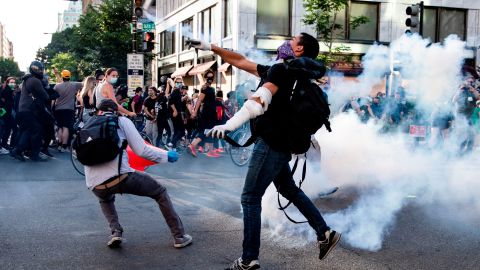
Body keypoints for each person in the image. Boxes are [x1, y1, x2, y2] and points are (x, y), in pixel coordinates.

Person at [188, 33, 340, 269]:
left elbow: (259, 100)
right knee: (288, 189)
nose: (287, 41)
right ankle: (325, 233)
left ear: (299, 50)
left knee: (250, 198)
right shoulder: (289, 73)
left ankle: (248, 259)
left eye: (292, 40)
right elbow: (239, 60)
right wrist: (211, 47)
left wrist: (230, 124)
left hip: (270, 144)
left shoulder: (282, 71)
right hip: (280, 146)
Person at [85, 99, 192, 248]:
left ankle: (116, 232)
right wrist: (167, 156)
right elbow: (142, 150)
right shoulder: (121, 121)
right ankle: (179, 236)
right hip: (121, 177)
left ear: (98, 110)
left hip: (94, 184)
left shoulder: (89, 123)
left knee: (105, 199)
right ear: (116, 110)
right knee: (160, 192)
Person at [10, 61, 49, 162]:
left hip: (22, 110)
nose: (41, 71)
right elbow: (45, 96)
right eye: (40, 70)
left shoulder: (27, 79)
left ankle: (19, 151)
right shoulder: (35, 81)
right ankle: (31, 154)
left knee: (27, 131)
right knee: (37, 129)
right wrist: (45, 84)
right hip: (28, 110)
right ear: (35, 70)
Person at [188, 70, 220, 158]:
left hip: (211, 113)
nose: (210, 79)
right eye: (208, 77)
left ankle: (210, 150)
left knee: (208, 131)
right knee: (206, 131)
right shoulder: (204, 88)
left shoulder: (211, 88)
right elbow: (199, 100)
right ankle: (193, 145)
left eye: (212, 77)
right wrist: (194, 112)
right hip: (207, 113)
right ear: (205, 78)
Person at [53, 70, 83, 152]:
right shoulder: (74, 85)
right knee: (66, 127)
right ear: (69, 76)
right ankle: (64, 146)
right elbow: (85, 83)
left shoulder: (57, 86)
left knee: (60, 127)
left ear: (62, 77)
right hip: (69, 110)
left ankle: (59, 144)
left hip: (58, 109)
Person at [168, 77, 186, 150]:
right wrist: (175, 110)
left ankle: (174, 148)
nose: (179, 84)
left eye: (180, 82)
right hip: (176, 114)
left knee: (176, 131)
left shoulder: (177, 91)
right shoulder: (176, 91)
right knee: (182, 132)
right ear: (175, 83)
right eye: (178, 82)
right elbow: (171, 102)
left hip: (177, 113)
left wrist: (182, 99)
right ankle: (172, 142)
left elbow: (176, 101)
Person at [0, 77, 16, 152]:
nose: (13, 84)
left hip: (7, 112)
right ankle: (4, 144)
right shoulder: (6, 90)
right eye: (11, 82)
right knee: (6, 129)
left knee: (7, 129)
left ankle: (4, 144)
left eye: (14, 82)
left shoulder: (10, 90)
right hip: (5, 112)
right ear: (7, 82)